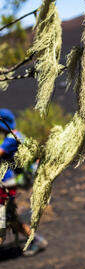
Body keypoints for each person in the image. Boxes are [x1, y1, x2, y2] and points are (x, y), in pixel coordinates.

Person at [0, 108, 47, 256]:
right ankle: (36, 240)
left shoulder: (10, 140)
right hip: (8, 182)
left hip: (7, 184)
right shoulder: (17, 135)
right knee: (9, 217)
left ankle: (36, 240)